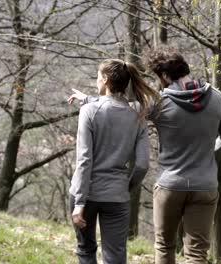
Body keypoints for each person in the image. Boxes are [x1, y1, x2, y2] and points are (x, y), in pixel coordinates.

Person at [69, 47, 221, 264]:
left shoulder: (160, 102)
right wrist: (207, 152)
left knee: (165, 246)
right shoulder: (216, 97)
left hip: (170, 185)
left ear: (165, 75)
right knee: (197, 254)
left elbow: (120, 110)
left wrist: (88, 101)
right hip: (205, 185)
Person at [68, 59, 161, 264]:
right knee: (116, 256)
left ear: (106, 80)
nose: (96, 81)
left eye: (98, 77)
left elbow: (84, 160)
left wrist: (80, 202)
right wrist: (126, 186)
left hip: (86, 194)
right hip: (117, 196)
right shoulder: (138, 114)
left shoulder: (90, 112)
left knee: (86, 250)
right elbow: (142, 164)